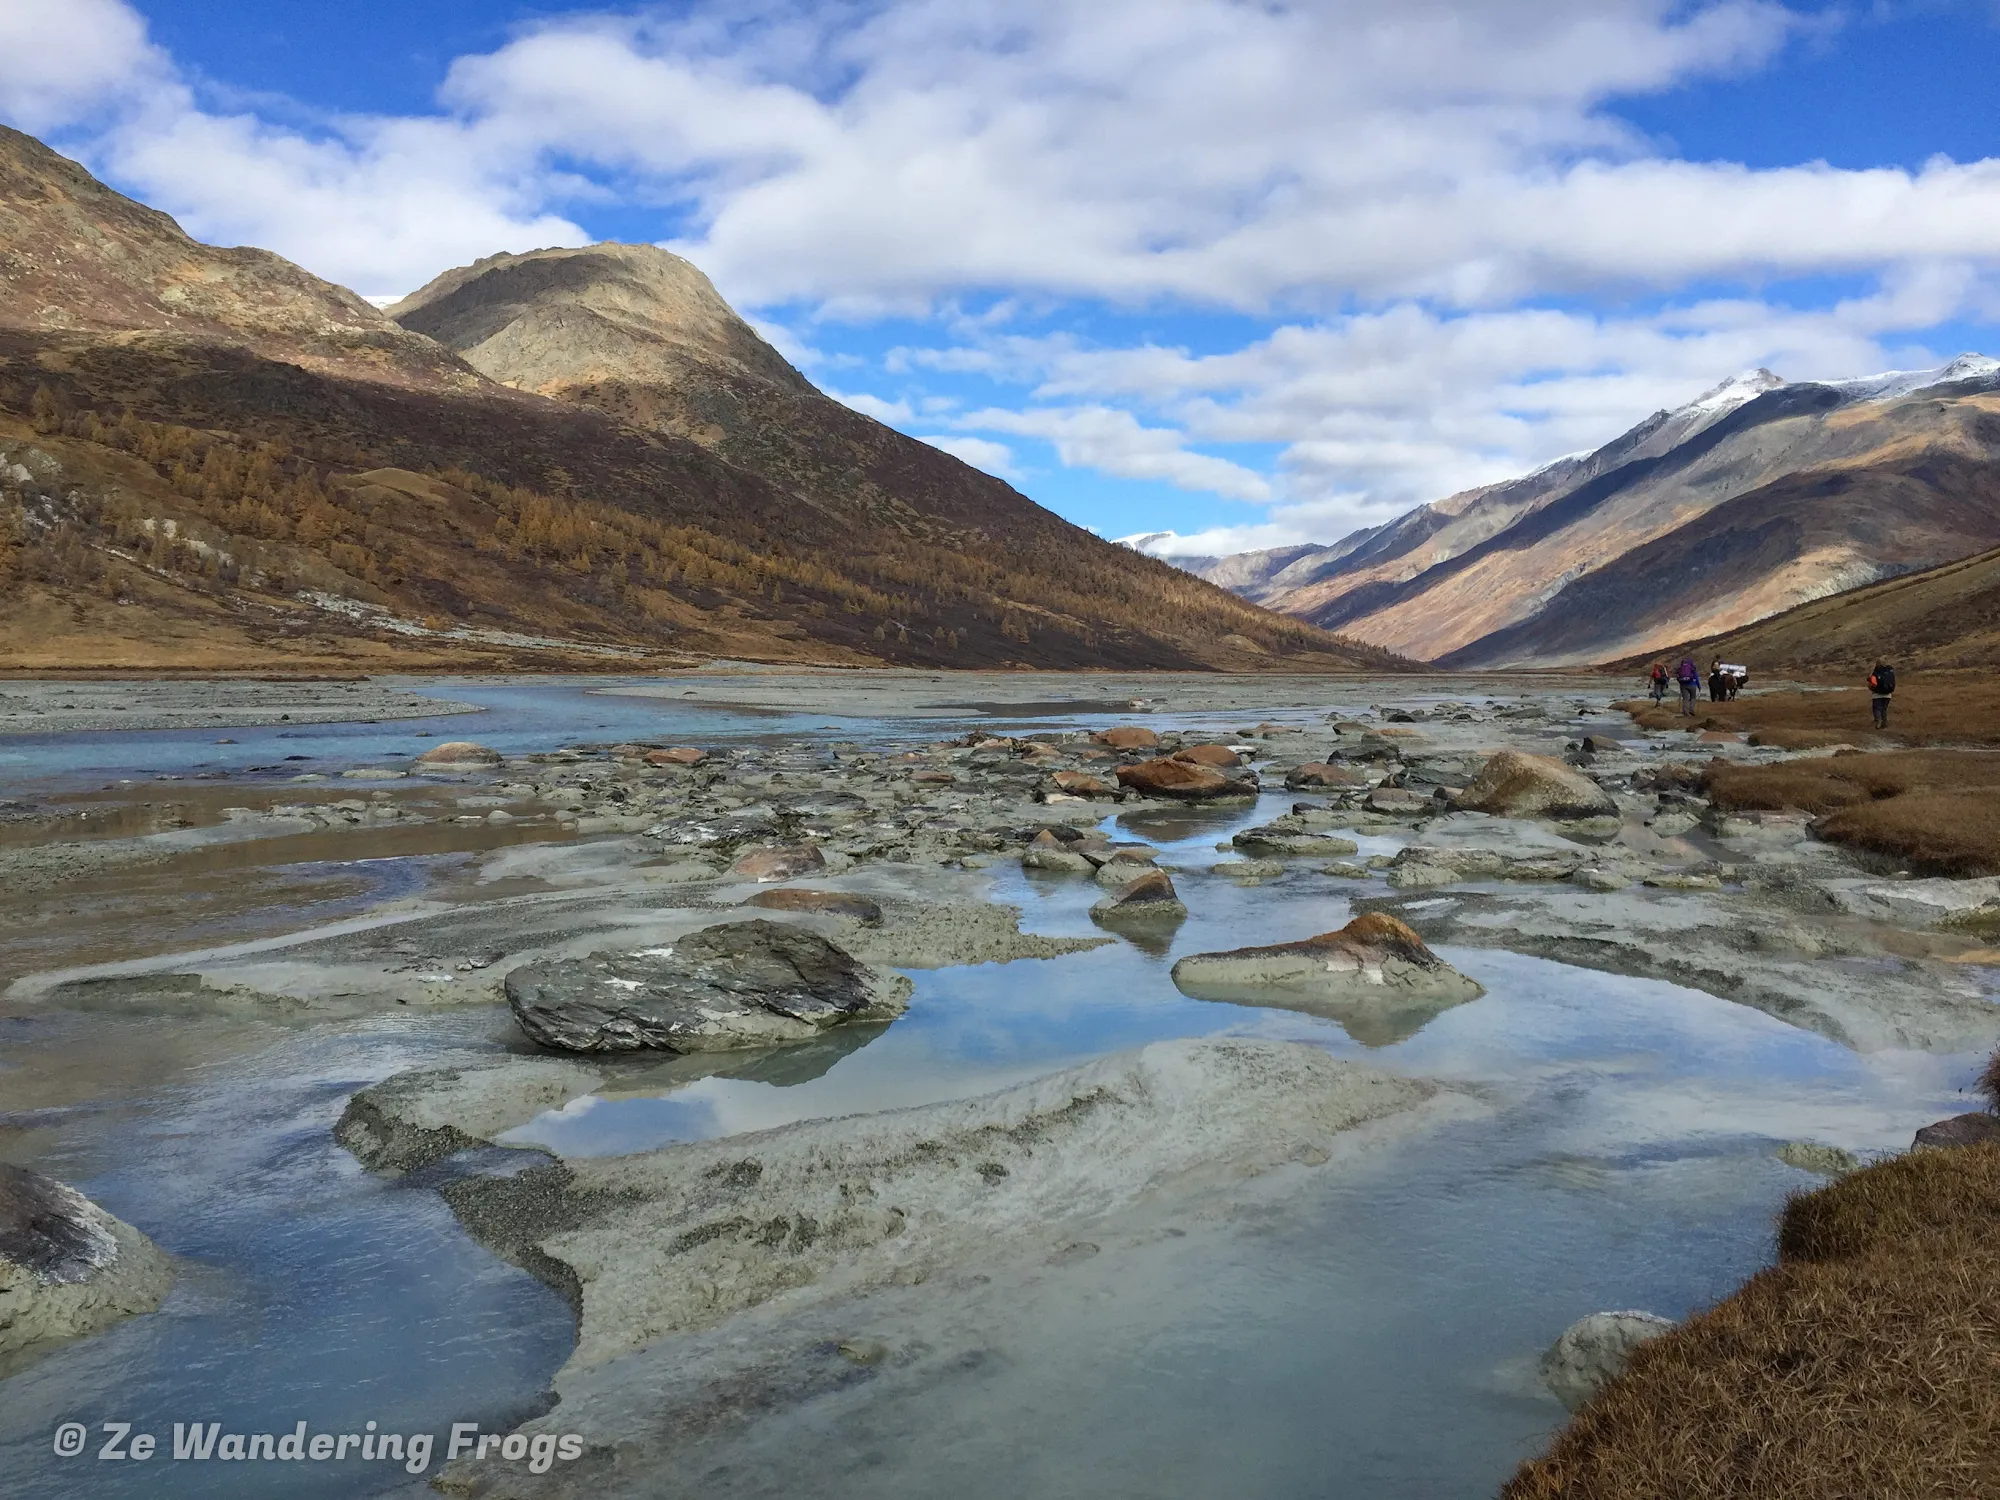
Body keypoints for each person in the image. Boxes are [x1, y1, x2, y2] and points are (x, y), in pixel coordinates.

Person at [1868, 661, 1896, 729]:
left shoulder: (1875, 673)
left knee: (1877, 709)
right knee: (1884, 709)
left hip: (1877, 695)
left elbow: (1873, 684)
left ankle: (1878, 722)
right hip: (1888, 695)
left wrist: (1870, 687)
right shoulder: (1889, 672)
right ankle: (1884, 724)